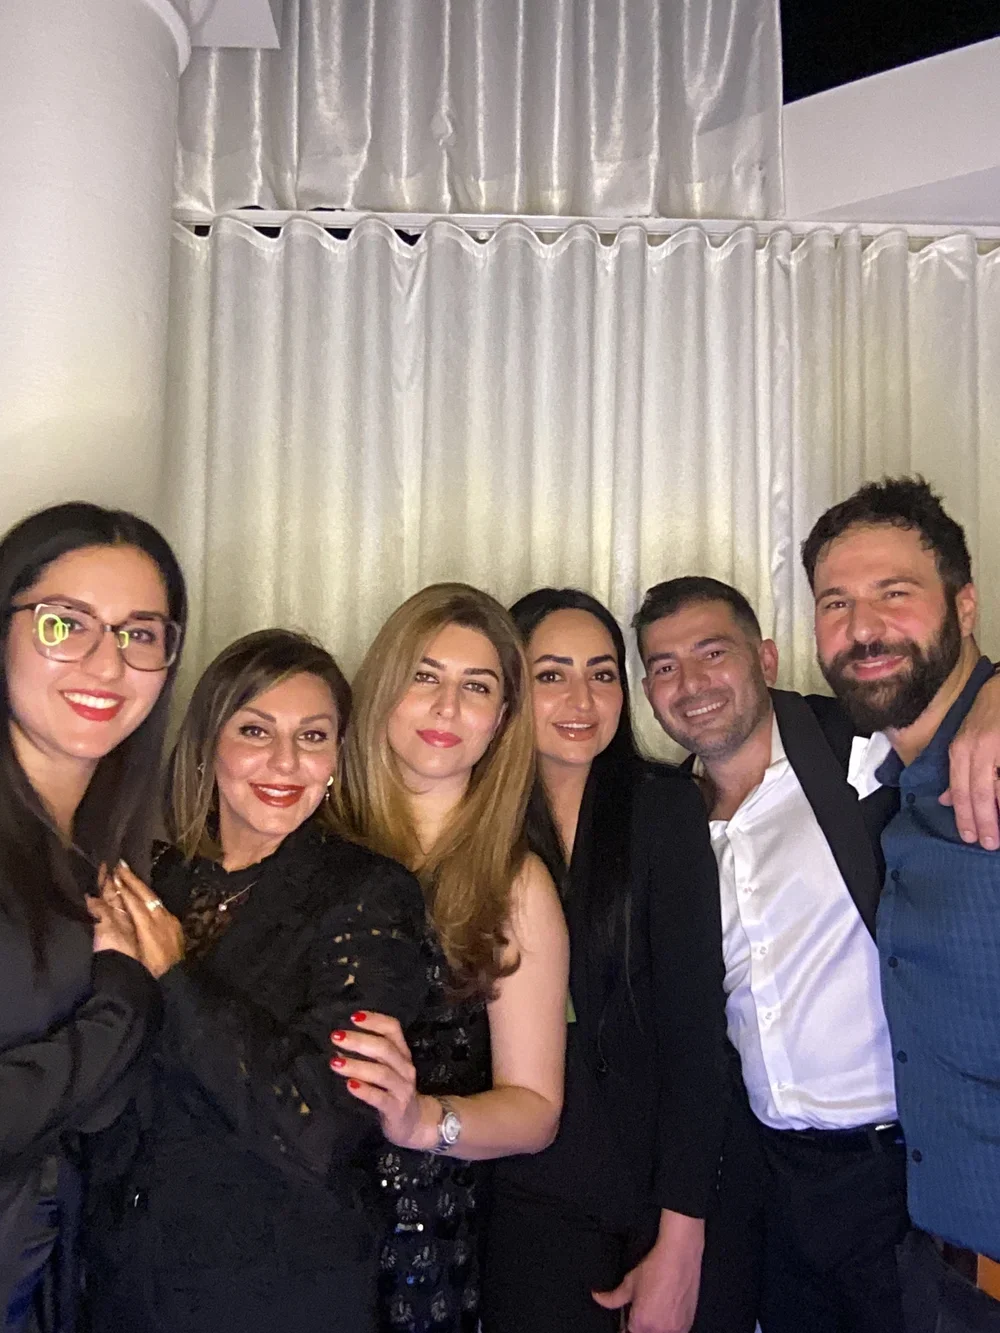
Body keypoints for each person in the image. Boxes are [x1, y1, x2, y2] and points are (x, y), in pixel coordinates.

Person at [635, 572, 1000, 1333]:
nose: (691, 683)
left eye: (712, 653)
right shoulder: (667, 819)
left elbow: (950, 692)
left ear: (766, 658)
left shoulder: (857, 744)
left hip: (904, 1172)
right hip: (773, 1182)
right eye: (665, 666)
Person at [84, 629, 430, 1333]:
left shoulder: (368, 892)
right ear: (207, 744)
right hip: (123, 1279)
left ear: (336, 758)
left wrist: (174, 976)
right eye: (255, 730)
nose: (285, 761)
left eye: (312, 736)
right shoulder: (156, 876)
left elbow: (319, 1125)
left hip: (275, 1288)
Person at [477, 589, 727, 1333]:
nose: (582, 699)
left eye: (603, 673)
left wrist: (681, 1234)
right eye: (552, 674)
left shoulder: (664, 807)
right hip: (519, 1192)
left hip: (651, 1190)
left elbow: (695, 1034)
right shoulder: (475, 823)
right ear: (512, 687)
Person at [329, 583, 569, 1333]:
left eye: (477, 687)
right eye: (424, 675)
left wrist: (422, 1121)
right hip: (282, 1222)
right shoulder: (311, 834)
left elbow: (536, 1110)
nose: (446, 706)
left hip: (421, 1240)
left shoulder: (515, 883)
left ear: (501, 719)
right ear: (382, 688)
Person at [805, 476, 1000, 1331]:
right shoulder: (889, 787)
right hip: (942, 1274)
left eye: (894, 593)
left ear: (965, 606)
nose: (863, 627)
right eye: (836, 602)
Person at [0, 501, 187, 1333]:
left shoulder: (114, 859)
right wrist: (124, 999)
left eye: (140, 633)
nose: (107, 663)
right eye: (64, 624)